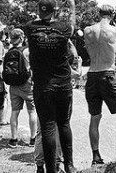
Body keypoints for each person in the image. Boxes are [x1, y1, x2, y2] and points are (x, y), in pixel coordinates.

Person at [24, 0, 77, 173]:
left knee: (47, 127)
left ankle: (50, 170)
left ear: (38, 11)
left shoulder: (30, 28)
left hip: (42, 86)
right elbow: (72, 25)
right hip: (62, 84)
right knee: (63, 124)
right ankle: (69, 165)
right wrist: (72, 7)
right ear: (55, 11)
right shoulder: (63, 28)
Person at [83, 5, 116, 164]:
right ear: (112, 15)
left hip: (92, 74)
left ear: (99, 14)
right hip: (107, 73)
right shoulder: (114, 30)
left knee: (95, 116)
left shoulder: (88, 30)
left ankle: (96, 156)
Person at [34, 40, 81, 173]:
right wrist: (69, 42)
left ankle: (39, 165)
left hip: (42, 93)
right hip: (60, 94)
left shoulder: (39, 57)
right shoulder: (61, 59)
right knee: (60, 128)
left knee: (42, 130)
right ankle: (57, 164)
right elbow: (77, 74)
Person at [5, 28, 37, 148]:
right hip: (26, 84)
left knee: (14, 112)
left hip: (13, 85)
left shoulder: (8, 52)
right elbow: (33, 67)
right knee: (32, 111)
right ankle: (33, 138)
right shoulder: (26, 51)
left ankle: (13, 139)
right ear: (22, 38)